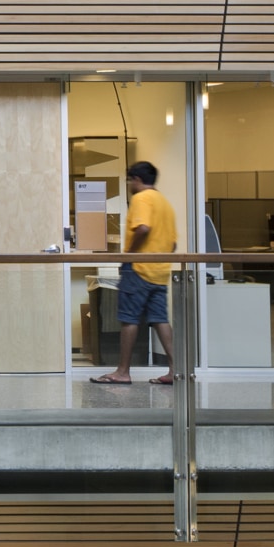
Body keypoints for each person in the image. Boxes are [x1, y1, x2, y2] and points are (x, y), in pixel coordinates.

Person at [95, 159, 177, 387]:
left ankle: (123, 371)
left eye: (130, 180)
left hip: (138, 269)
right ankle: (175, 370)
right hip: (160, 271)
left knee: (129, 319)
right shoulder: (164, 203)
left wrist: (128, 255)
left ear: (137, 180)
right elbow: (172, 245)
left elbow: (143, 227)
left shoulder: (142, 199)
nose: (129, 184)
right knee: (160, 319)